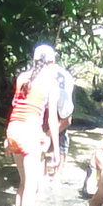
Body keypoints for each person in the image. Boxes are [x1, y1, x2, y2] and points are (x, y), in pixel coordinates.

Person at [2, 50, 52, 206]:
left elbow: (16, 106)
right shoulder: (49, 82)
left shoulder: (22, 77)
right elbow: (52, 119)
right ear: (51, 63)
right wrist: (51, 140)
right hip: (30, 131)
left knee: (23, 181)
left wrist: (7, 139)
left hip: (14, 129)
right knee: (32, 184)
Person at [31, 42, 76, 172]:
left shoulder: (64, 79)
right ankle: (42, 172)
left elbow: (67, 120)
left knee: (60, 140)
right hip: (38, 111)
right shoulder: (29, 78)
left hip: (59, 112)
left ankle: (57, 174)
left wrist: (49, 136)